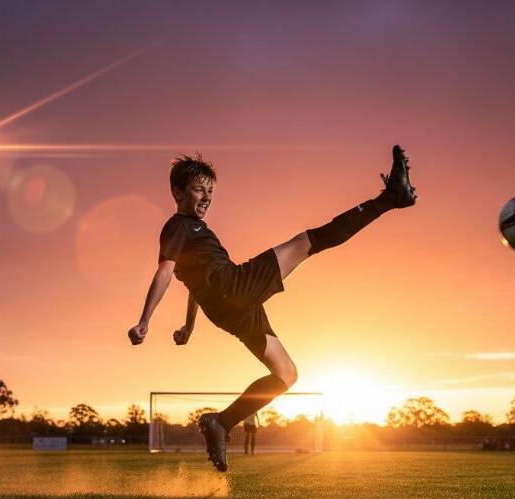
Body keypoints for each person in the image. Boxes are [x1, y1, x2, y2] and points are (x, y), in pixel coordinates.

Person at [129, 146, 417, 471]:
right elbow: (165, 271)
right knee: (308, 242)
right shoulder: (178, 226)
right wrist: (144, 320)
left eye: (211, 190)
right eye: (199, 189)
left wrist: (190, 327)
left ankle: (221, 423)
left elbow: (195, 285)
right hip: (233, 286)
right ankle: (390, 198)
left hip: (228, 306)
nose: (207, 197)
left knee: (286, 374)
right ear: (177, 192)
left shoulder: (196, 231)